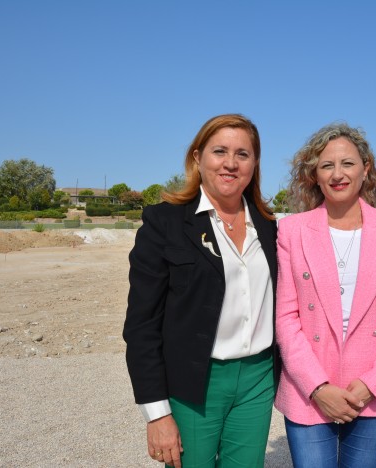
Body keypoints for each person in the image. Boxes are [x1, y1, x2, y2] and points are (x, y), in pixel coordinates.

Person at [123, 114, 278, 467]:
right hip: (193, 382)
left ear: (254, 163)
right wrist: (157, 414)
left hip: (257, 380)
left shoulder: (269, 227)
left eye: (243, 154)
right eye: (219, 151)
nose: (230, 163)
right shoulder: (164, 223)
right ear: (197, 158)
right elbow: (141, 326)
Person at [275, 123, 376, 467]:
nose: (338, 174)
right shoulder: (292, 230)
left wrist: (372, 383)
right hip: (309, 389)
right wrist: (317, 387)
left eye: (348, 164)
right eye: (327, 166)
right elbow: (286, 317)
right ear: (314, 175)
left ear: (366, 168)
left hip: (371, 389)